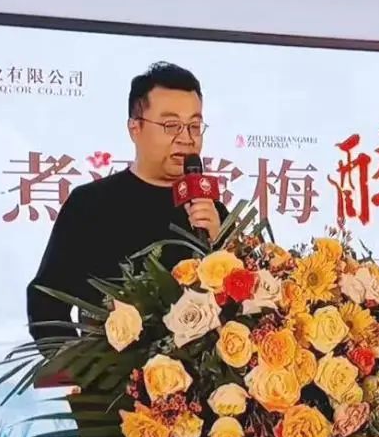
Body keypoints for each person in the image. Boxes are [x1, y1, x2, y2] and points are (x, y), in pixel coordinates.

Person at [27, 62, 230, 341]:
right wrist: (78, 364)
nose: (186, 138)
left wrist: (220, 244)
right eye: (171, 125)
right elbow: (46, 301)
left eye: (194, 126)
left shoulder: (210, 211)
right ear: (135, 128)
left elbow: (244, 305)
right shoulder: (89, 205)